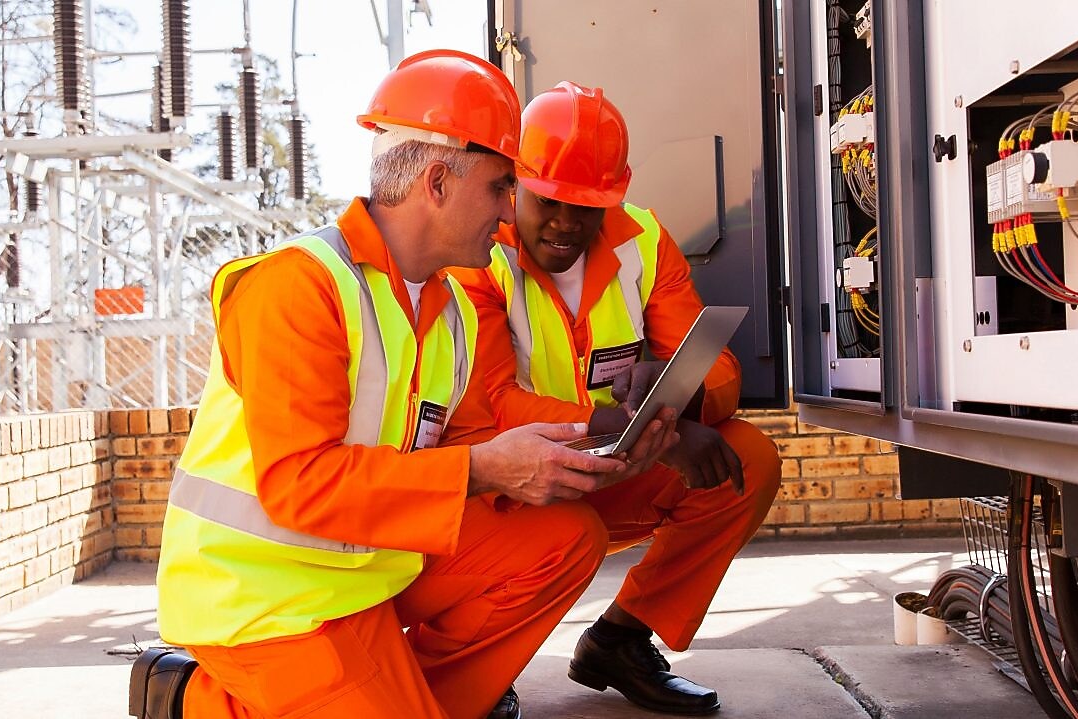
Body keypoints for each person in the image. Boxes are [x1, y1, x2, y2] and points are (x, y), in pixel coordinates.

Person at [152, 55, 677, 719]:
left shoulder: (446, 310)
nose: (511, 208)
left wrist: (579, 457)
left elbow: (462, 449)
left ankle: (409, 698)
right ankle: (197, 701)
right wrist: (484, 469)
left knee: (565, 538)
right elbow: (300, 484)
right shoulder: (299, 287)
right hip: (265, 599)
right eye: (499, 187)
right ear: (437, 182)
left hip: (365, 573)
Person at [452, 81, 783, 716]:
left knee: (749, 462)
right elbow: (496, 405)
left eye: (588, 205)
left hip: (617, 464)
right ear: (515, 183)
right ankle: (480, 665)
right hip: (512, 489)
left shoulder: (642, 240)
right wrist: (635, 421)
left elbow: (720, 370)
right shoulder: (478, 254)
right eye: (549, 200)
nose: (566, 223)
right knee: (563, 535)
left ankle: (620, 639)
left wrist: (675, 398)